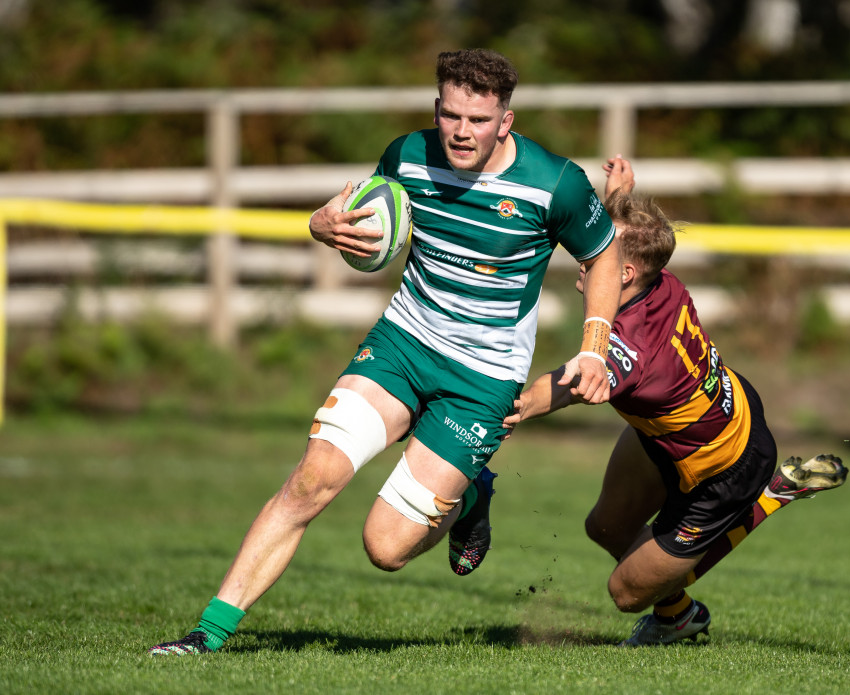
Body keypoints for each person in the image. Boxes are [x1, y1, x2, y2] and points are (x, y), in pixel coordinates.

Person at [148, 48, 621, 656]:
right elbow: (371, 224)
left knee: (385, 548)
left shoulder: (554, 182)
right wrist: (323, 228)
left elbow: (602, 255)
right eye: (451, 115)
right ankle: (207, 634)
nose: (461, 131)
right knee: (309, 479)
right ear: (437, 109)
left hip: (482, 379)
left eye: (478, 120)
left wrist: (594, 348)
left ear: (506, 120)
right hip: (402, 344)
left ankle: (474, 494)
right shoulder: (406, 155)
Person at [502, 156, 847, 647]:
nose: (583, 252)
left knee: (625, 592)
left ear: (623, 273)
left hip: (727, 469)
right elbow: (618, 249)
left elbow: (566, 384)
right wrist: (614, 200)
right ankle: (681, 617)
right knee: (605, 526)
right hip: (694, 422)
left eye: (593, 250)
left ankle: (769, 499)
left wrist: (503, 408)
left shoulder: (628, 347)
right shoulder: (655, 276)